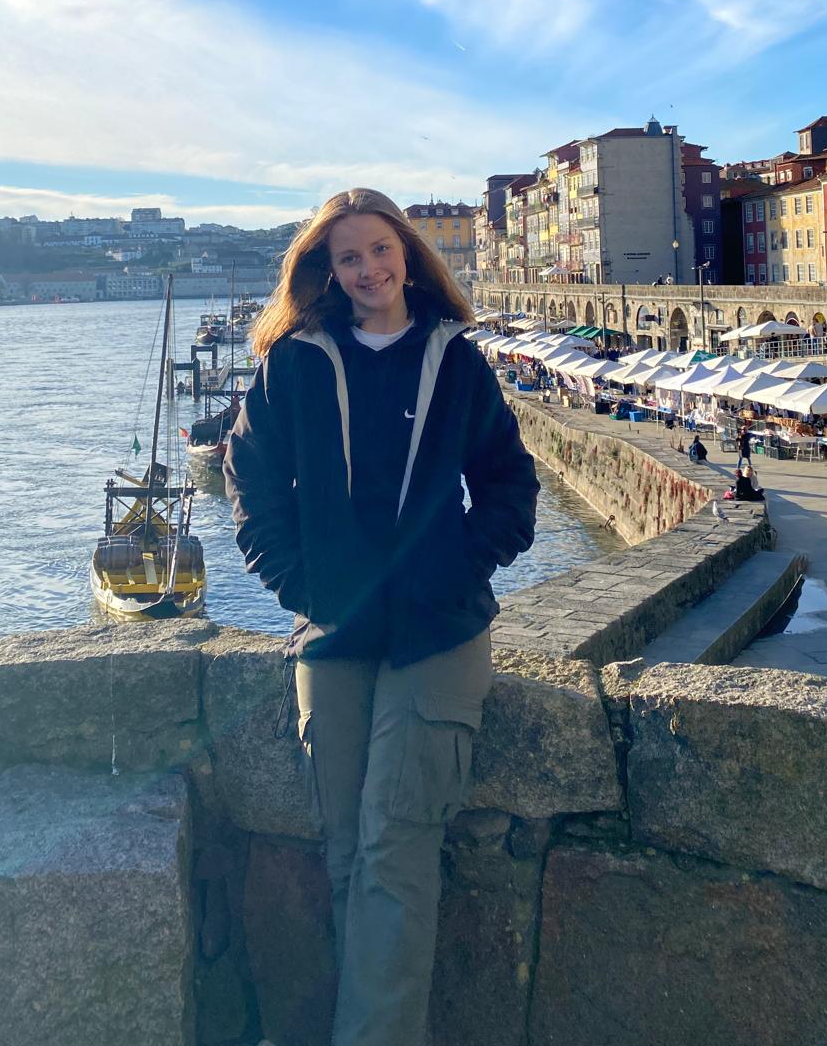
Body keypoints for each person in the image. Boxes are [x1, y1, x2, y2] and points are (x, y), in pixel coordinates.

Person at [224, 188, 538, 1046]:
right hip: (332, 633)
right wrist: (299, 584)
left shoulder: (457, 363)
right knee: (349, 856)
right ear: (327, 272)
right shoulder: (294, 364)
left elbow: (512, 488)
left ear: (408, 253)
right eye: (347, 258)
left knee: (394, 849)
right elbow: (248, 479)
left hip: (439, 635)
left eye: (379, 249)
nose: (368, 269)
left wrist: (455, 565)